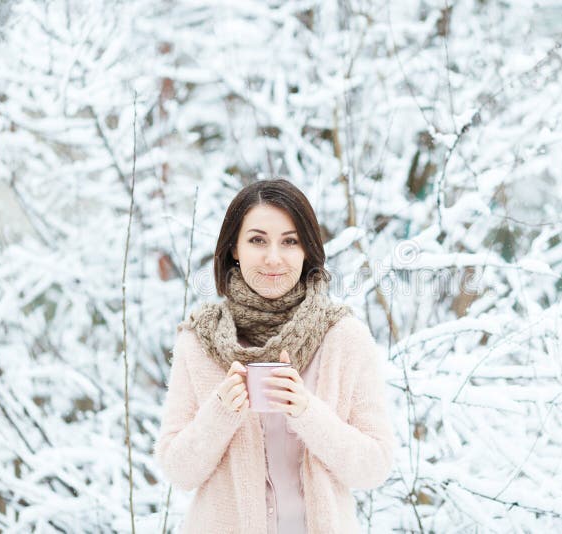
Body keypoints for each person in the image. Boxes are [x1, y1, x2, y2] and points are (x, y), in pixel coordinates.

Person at [154, 179, 396, 534]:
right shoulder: (199, 340)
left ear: (306, 250)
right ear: (234, 248)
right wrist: (220, 412)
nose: (273, 258)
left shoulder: (343, 338)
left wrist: (307, 412)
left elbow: (374, 467)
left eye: (289, 241)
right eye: (257, 240)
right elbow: (178, 472)